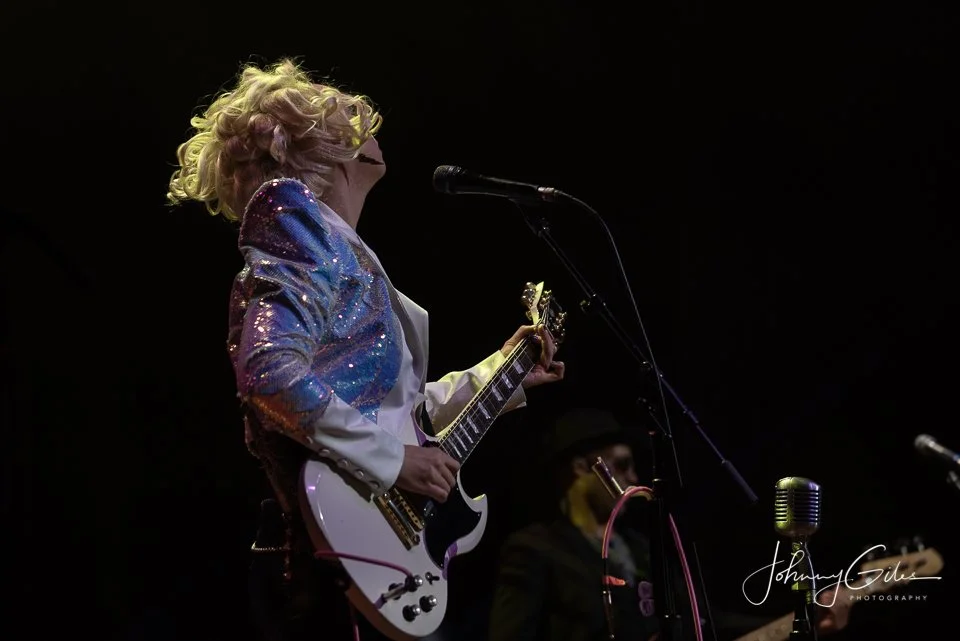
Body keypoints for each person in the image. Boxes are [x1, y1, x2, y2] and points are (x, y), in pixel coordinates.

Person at [166, 57, 565, 641]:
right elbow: (268, 370)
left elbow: (391, 411)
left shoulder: (340, 247)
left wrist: (501, 376)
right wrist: (395, 462)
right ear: (324, 150)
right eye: (351, 122)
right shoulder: (293, 212)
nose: (371, 130)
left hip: (351, 546)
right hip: (324, 554)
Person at [487, 407, 852, 641]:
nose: (634, 477)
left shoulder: (644, 547)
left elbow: (703, 621)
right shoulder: (535, 549)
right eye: (622, 465)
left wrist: (797, 620)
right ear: (583, 468)